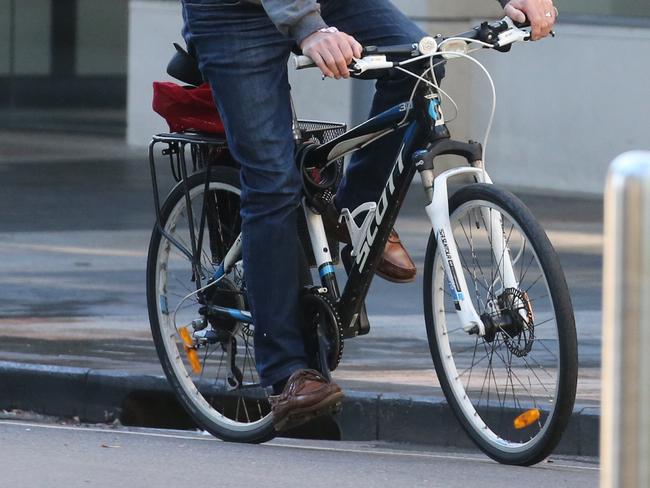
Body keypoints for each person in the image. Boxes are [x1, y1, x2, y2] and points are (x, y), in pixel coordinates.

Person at [180, 0, 557, 431]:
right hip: (233, 15)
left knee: (421, 62)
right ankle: (286, 372)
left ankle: (355, 206)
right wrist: (309, 27)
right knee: (272, 181)